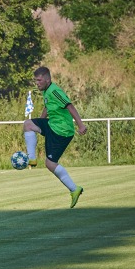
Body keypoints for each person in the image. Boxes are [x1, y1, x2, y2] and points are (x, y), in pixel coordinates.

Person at [23, 66, 87, 208]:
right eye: (35, 81)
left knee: (50, 164)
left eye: (39, 80)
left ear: (47, 79)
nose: (37, 83)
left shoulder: (55, 91)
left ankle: (74, 189)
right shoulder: (47, 91)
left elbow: (70, 106)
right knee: (28, 124)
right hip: (52, 125)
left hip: (61, 131)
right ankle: (31, 158)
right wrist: (40, 122)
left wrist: (80, 125)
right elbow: (48, 106)